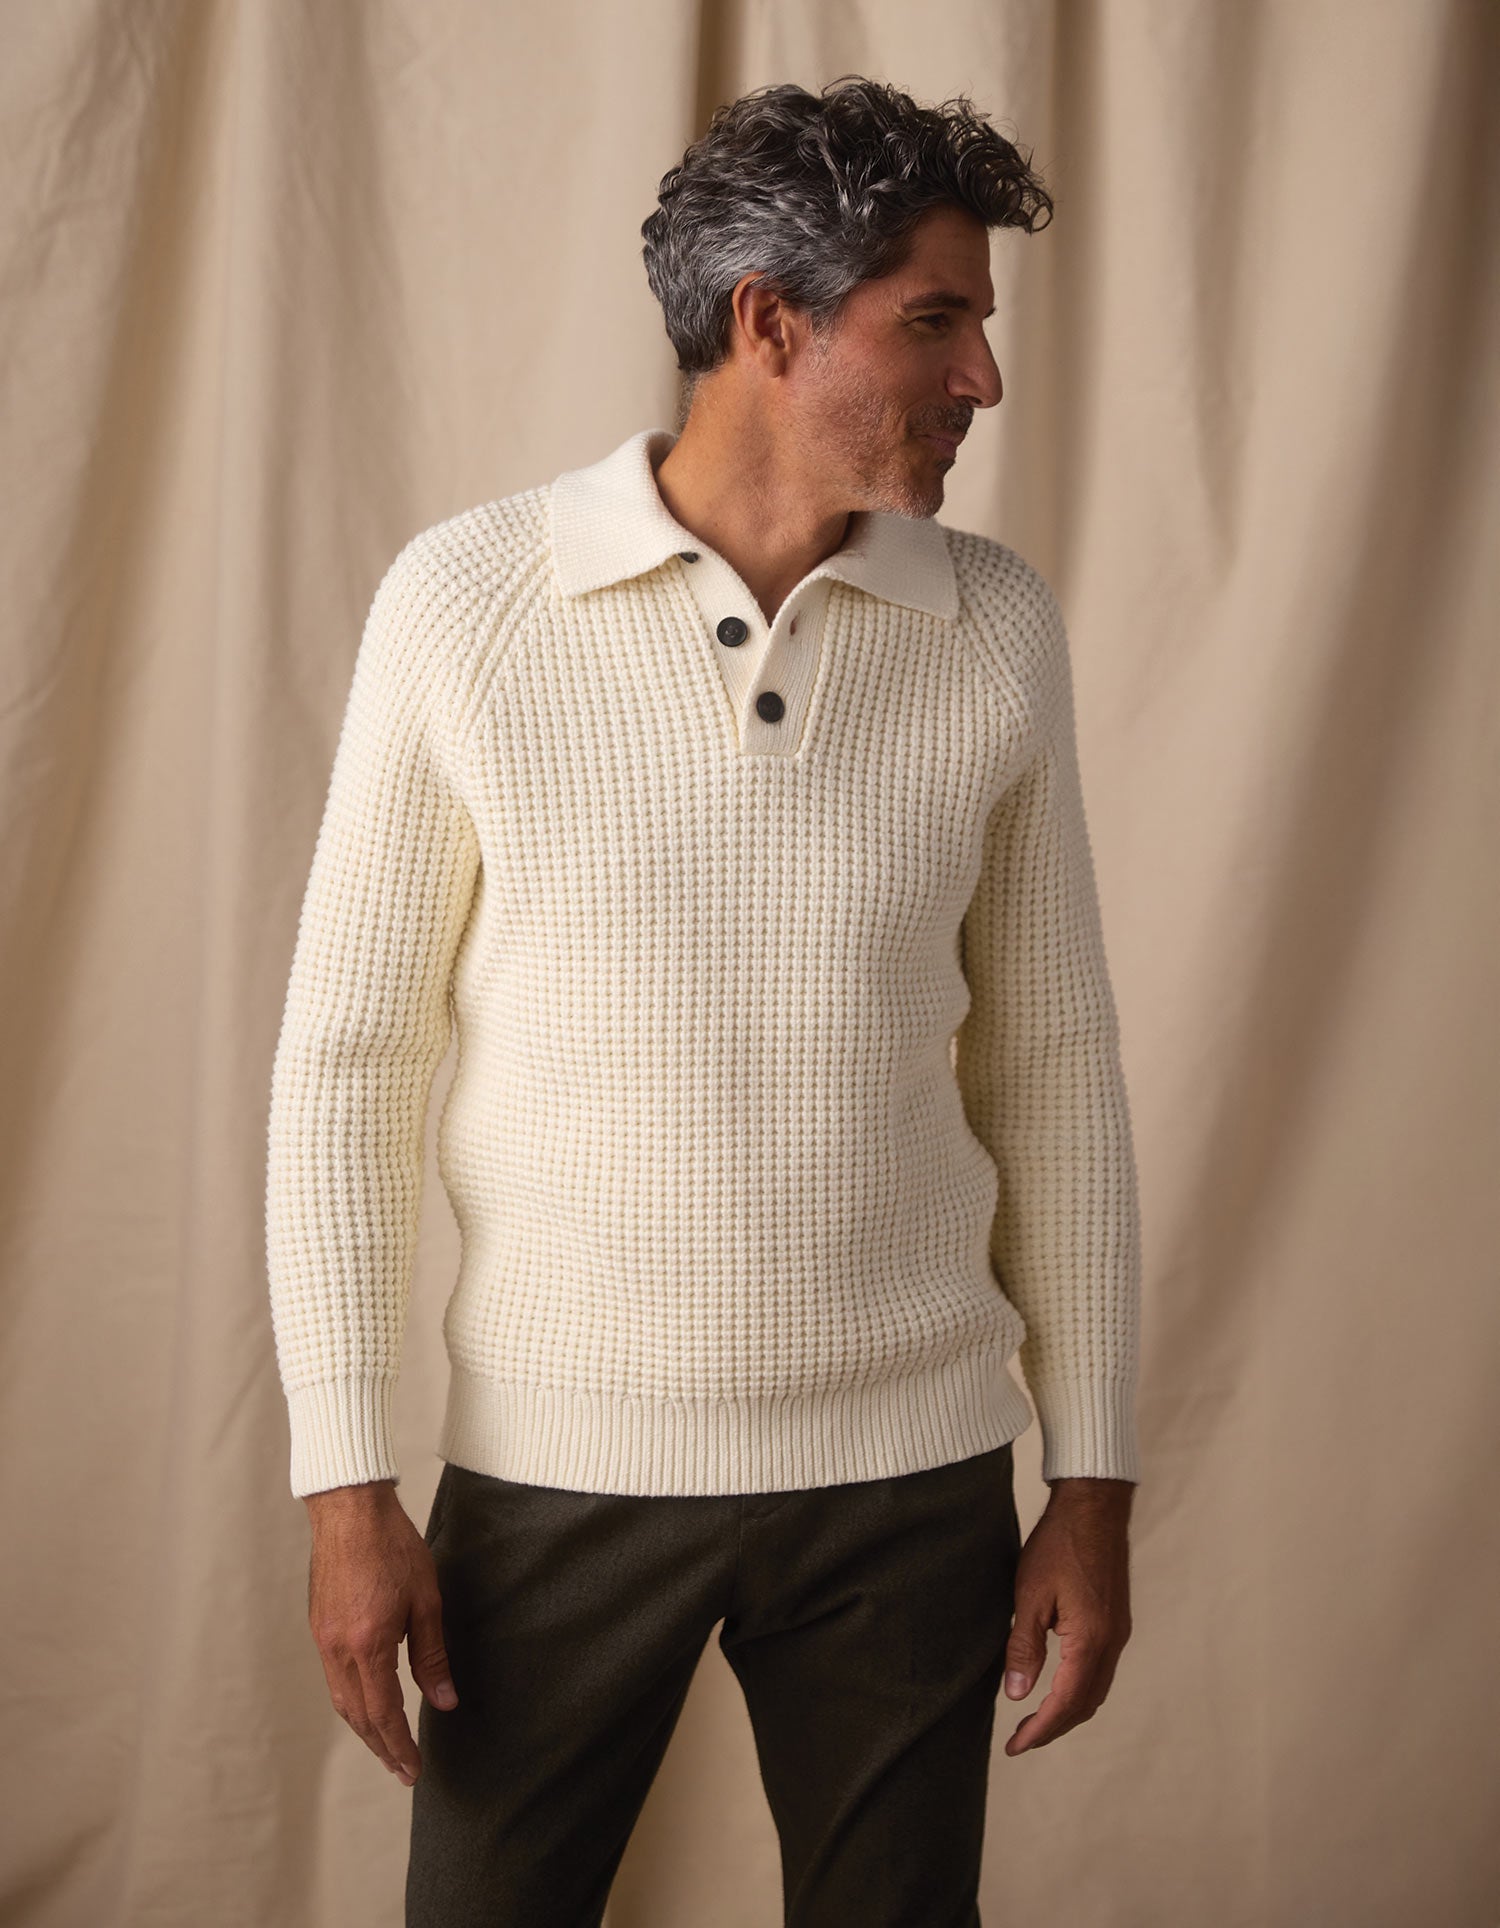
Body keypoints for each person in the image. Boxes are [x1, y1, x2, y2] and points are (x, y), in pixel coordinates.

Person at [266, 74, 1143, 1928]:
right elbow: (348, 1066)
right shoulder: (470, 604)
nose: (984, 377)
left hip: (913, 1484)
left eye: (979, 324)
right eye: (936, 320)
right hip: (562, 1479)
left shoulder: (994, 626)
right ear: (770, 321)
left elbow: (1054, 1068)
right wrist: (345, 1488)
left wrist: (1094, 1480)